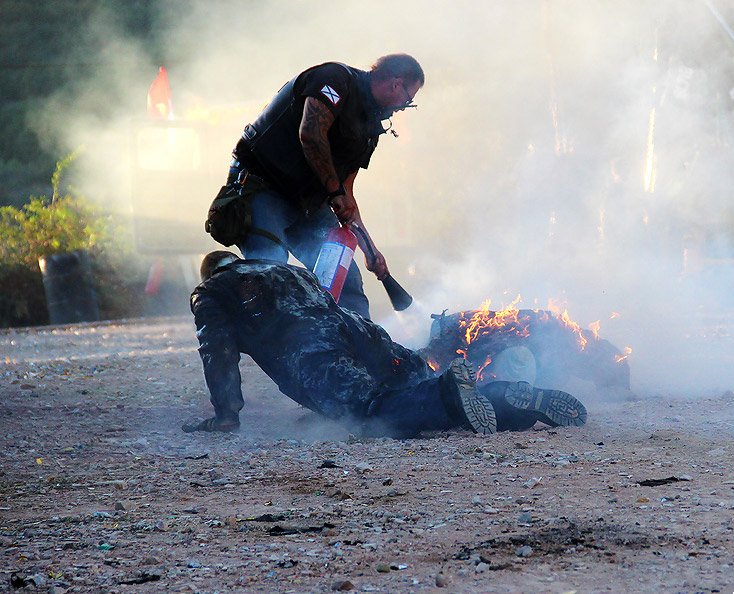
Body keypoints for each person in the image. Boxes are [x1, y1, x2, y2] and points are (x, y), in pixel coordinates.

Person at [184, 251, 588, 438]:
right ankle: (506, 399)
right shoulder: (282, 267)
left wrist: (226, 414)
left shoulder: (212, 290)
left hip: (313, 350)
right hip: (358, 330)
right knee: (413, 378)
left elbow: (216, 350)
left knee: (370, 409)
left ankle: (449, 394)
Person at [220, 53, 424, 320]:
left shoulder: (369, 127)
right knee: (269, 273)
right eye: (408, 100)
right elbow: (311, 135)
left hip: (306, 203)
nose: (402, 106)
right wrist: (336, 193)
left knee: (346, 279)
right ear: (396, 84)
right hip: (262, 187)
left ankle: (360, 352)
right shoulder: (335, 80)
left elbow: (346, 193)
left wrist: (370, 250)